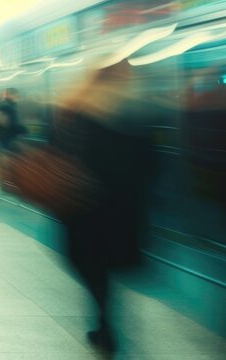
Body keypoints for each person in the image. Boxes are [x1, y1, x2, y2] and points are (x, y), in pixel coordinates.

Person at [53, 60, 157, 353]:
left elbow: (60, 155)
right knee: (108, 262)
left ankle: (105, 321)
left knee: (89, 262)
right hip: (123, 208)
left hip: (85, 206)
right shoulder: (135, 113)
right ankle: (106, 320)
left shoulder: (77, 112)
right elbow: (150, 165)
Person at [0, 87, 27, 152]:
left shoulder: (7, 105)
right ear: (11, 95)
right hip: (7, 138)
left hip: (5, 138)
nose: (17, 97)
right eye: (16, 95)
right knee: (7, 156)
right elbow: (10, 123)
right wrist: (23, 130)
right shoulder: (7, 106)